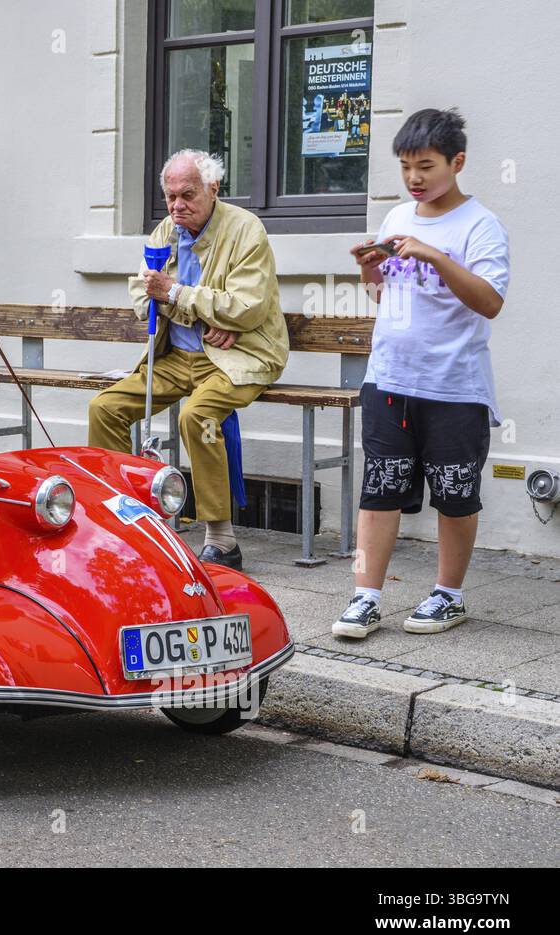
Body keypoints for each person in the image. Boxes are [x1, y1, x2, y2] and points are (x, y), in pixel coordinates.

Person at [332, 108, 509, 638]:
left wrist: (434, 255)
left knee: (455, 494)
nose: (414, 178)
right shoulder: (397, 218)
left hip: (454, 384)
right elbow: (385, 293)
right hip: (389, 377)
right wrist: (369, 266)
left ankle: (449, 595)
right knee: (379, 489)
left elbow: (490, 301)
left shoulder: (480, 225)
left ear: (457, 162)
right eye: (406, 166)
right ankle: (365, 597)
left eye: (426, 166)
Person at [88, 149, 289, 569]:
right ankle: (119, 521)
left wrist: (180, 296)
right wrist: (201, 311)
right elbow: (141, 294)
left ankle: (222, 538)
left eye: (188, 195)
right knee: (104, 408)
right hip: (177, 356)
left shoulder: (245, 229)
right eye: (170, 196)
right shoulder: (166, 230)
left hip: (238, 358)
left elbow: (247, 307)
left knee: (196, 417)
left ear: (214, 189)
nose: (177, 205)